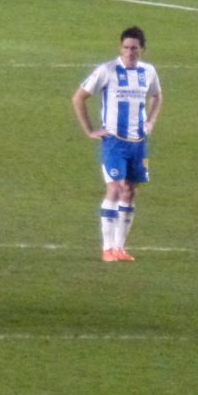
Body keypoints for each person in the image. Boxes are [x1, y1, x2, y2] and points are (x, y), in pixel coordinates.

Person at [71, 27, 163, 263]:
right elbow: (78, 97)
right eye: (126, 47)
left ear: (142, 49)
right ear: (120, 48)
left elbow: (157, 96)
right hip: (114, 142)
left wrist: (151, 121)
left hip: (138, 142)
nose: (130, 52)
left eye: (134, 48)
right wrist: (90, 130)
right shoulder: (107, 70)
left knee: (130, 192)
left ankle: (120, 248)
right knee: (114, 188)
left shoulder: (148, 71)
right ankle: (107, 249)